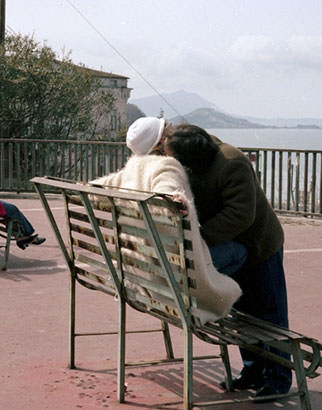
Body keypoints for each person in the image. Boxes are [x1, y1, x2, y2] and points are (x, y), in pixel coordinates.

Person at [163, 124, 292, 399]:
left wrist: (200, 240)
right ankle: (253, 370)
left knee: (270, 313)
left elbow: (240, 215)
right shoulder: (196, 162)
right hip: (231, 245)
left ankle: (278, 379)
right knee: (242, 310)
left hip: (259, 246)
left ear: (193, 158)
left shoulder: (232, 163)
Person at [91, 117, 241, 322]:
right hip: (174, 271)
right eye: (168, 128)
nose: (174, 129)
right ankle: (241, 313)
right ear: (161, 140)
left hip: (141, 268)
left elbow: (97, 188)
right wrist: (173, 200)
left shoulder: (133, 166)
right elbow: (165, 192)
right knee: (242, 251)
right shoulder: (167, 165)